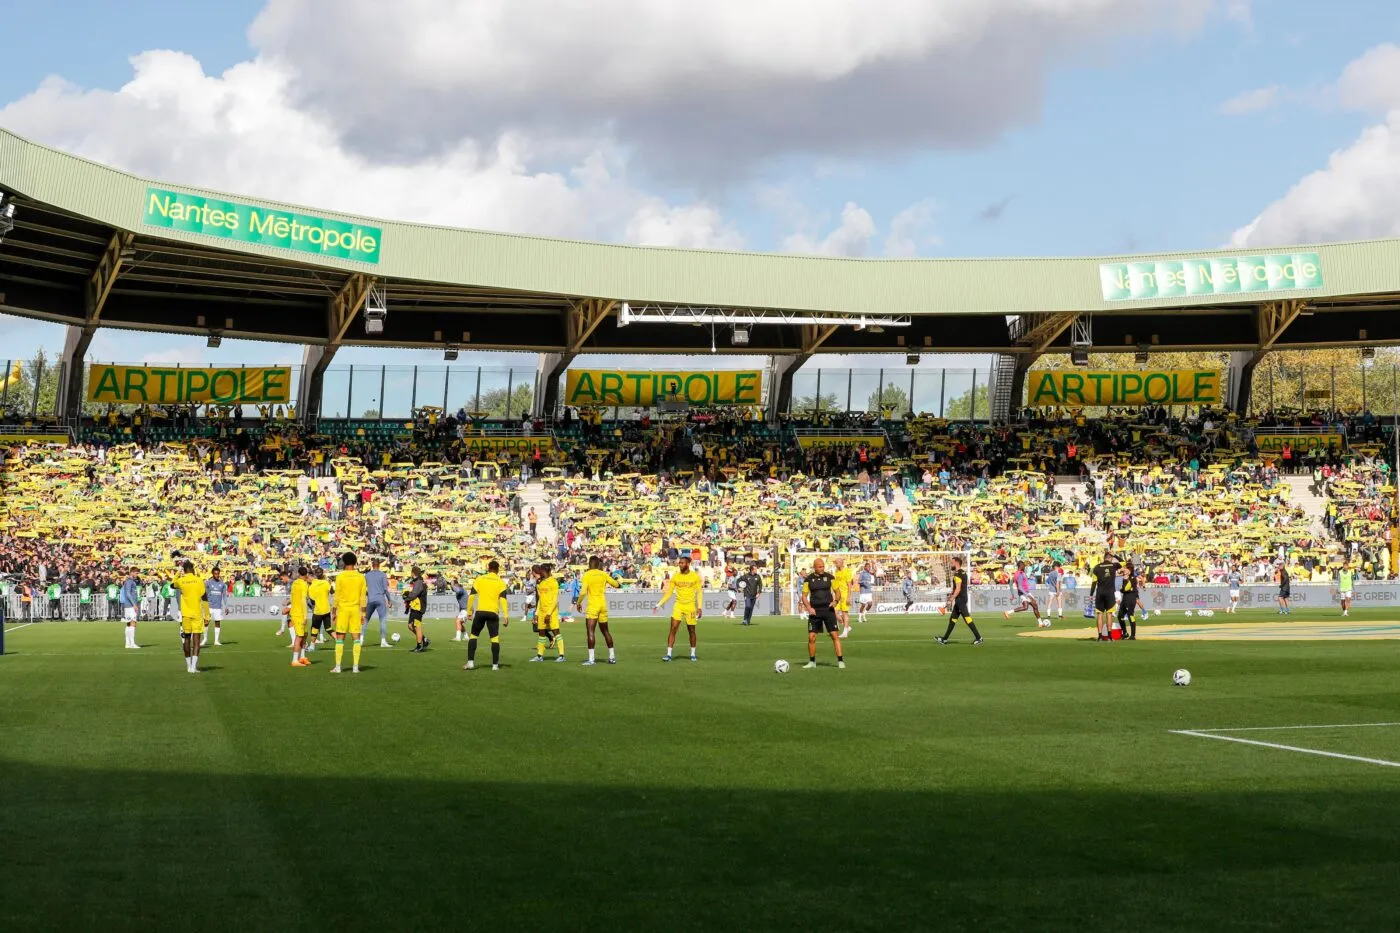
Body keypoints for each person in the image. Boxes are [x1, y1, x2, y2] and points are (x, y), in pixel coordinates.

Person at [797, 557, 845, 669]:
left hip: (828, 610)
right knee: (811, 637)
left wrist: (835, 601)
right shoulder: (808, 579)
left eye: (823, 566)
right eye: (819, 567)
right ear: (814, 567)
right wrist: (809, 608)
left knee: (834, 635)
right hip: (815, 612)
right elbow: (804, 596)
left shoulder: (830, 577)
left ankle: (840, 661)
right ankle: (812, 662)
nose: (822, 568)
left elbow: (837, 592)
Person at [464, 560, 510, 671]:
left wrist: (469, 612)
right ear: (498, 570)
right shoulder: (500, 582)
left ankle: (470, 663)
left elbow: (471, 596)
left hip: (481, 612)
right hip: (493, 613)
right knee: (494, 638)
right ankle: (495, 665)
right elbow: (503, 600)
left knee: (473, 636)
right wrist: (506, 615)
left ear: (488, 568)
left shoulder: (480, 579)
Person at [655, 555, 702, 662]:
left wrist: (699, 607)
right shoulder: (675, 576)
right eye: (679, 563)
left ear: (688, 564)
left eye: (682, 563)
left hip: (690, 607)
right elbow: (669, 593)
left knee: (691, 630)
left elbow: (699, 592)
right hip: (678, 606)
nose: (680, 564)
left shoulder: (695, 576)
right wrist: (659, 604)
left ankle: (693, 654)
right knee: (673, 629)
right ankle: (668, 654)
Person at [330, 552, 367, 674]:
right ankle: (355, 667)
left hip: (343, 610)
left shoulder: (340, 577)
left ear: (344, 562)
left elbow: (337, 596)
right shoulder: (361, 577)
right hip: (355, 610)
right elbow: (363, 597)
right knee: (356, 638)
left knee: (340, 639)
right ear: (355, 562)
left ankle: (338, 667)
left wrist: (334, 612)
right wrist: (363, 614)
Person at [580, 555, 620, 665]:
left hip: (593, 606)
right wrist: (618, 583)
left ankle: (591, 659)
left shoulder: (587, 575)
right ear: (598, 564)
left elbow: (583, 592)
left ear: (589, 564)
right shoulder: (603, 574)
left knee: (590, 631)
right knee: (605, 631)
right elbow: (616, 584)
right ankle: (612, 657)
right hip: (603, 605)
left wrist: (578, 603)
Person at [935, 555, 983, 645]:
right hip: (962, 598)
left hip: (960, 599)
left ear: (956, 563)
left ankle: (979, 638)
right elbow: (965, 585)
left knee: (967, 618)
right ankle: (944, 639)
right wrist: (952, 596)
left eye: (952, 563)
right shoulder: (964, 573)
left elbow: (958, 589)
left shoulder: (957, 574)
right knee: (953, 619)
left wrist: (950, 599)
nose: (950, 565)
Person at [172, 561, 207, 674]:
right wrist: (207, 614)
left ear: (184, 570)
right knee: (196, 641)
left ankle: (188, 666)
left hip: (185, 614)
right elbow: (204, 596)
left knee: (186, 639)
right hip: (197, 613)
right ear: (192, 569)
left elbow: (172, 584)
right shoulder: (199, 580)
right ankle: (193, 667)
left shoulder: (181, 581)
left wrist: (178, 573)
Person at [530, 564, 565, 663]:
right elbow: (540, 600)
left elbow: (555, 600)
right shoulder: (540, 583)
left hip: (551, 612)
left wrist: (549, 613)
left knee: (556, 632)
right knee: (541, 633)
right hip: (541, 612)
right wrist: (536, 613)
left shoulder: (553, 582)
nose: (541, 573)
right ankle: (539, 656)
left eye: (542, 571)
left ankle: (561, 655)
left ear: (547, 571)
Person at [1090, 552, 1121, 642]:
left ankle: (1099, 636)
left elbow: (1094, 582)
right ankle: (1110, 637)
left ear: (1104, 558)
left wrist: (1091, 594)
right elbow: (1123, 562)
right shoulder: (1113, 565)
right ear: (1110, 558)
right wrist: (1115, 555)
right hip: (1110, 593)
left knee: (1100, 614)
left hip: (1100, 593)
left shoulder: (1097, 567)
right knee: (1109, 614)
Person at [364, 558, 392, 647]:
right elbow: (385, 589)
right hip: (380, 599)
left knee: (366, 620)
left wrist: (369, 594)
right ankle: (383, 641)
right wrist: (389, 600)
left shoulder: (367, 575)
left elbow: (364, 588)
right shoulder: (382, 575)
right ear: (379, 566)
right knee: (382, 621)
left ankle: (360, 640)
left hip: (371, 599)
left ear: (372, 566)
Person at [287, 565, 312, 667]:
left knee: (304, 635)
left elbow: (292, 597)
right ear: (306, 574)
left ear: (298, 573)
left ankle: (302, 657)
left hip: (294, 612)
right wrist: (305, 616)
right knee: (299, 636)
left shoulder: (295, 583)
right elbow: (303, 600)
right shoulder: (304, 585)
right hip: (299, 614)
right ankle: (294, 660)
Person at [403, 566, 430, 652]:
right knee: (410, 626)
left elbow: (414, 594)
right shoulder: (417, 582)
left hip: (418, 607)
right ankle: (424, 640)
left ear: (413, 573)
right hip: (415, 606)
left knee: (416, 626)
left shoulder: (419, 582)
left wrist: (406, 596)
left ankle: (419, 645)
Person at [1116, 560, 1141, 640]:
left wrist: (1124, 581)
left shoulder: (1132, 578)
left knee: (1131, 616)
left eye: (1125, 568)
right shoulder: (1126, 577)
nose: (1124, 569)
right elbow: (1124, 589)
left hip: (1130, 599)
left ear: (1129, 570)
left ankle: (1133, 635)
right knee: (1120, 616)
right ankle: (1125, 633)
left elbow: (1125, 589)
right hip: (1125, 598)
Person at [203, 565, 226, 648]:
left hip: (218, 607)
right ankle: (205, 639)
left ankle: (216, 640)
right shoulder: (208, 583)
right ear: (212, 574)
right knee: (206, 622)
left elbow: (224, 596)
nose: (217, 575)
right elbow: (204, 594)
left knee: (217, 622)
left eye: (218, 574)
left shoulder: (222, 584)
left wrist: (226, 606)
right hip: (209, 606)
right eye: (215, 574)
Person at [308, 567, 332, 646]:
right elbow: (333, 592)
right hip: (326, 609)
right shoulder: (326, 583)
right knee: (328, 628)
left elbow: (312, 602)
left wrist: (313, 609)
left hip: (318, 610)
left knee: (314, 628)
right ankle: (339, 642)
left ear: (315, 574)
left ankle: (312, 646)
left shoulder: (312, 586)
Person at [119, 570, 141, 649]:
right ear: (131, 572)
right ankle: (132, 643)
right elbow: (128, 593)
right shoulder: (129, 581)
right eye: (136, 573)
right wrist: (134, 604)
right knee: (133, 623)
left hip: (128, 605)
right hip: (130, 605)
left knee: (128, 624)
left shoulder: (130, 581)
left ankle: (128, 643)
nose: (137, 574)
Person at [832, 558, 852, 637]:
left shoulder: (847, 571)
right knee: (834, 612)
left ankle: (845, 632)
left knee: (844, 613)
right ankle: (847, 627)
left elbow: (849, 585)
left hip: (844, 594)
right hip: (837, 595)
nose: (835, 564)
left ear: (841, 563)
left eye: (836, 563)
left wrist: (848, 597)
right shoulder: (836, 571)